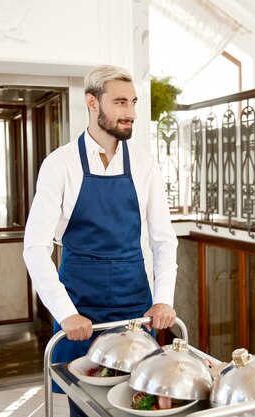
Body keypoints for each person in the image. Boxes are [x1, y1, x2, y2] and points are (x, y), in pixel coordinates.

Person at [23, 65, 178, 411]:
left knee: (140, 398)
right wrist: (66, 314)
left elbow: (164, 240)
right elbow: (35, 248)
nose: (132, 113)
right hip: (81, 307)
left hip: (135, 306)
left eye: (133, 103)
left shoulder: (144, 164)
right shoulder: (59, 164)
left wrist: (163, 299)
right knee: (87, 402)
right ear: (92, 103)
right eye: (120, 102)